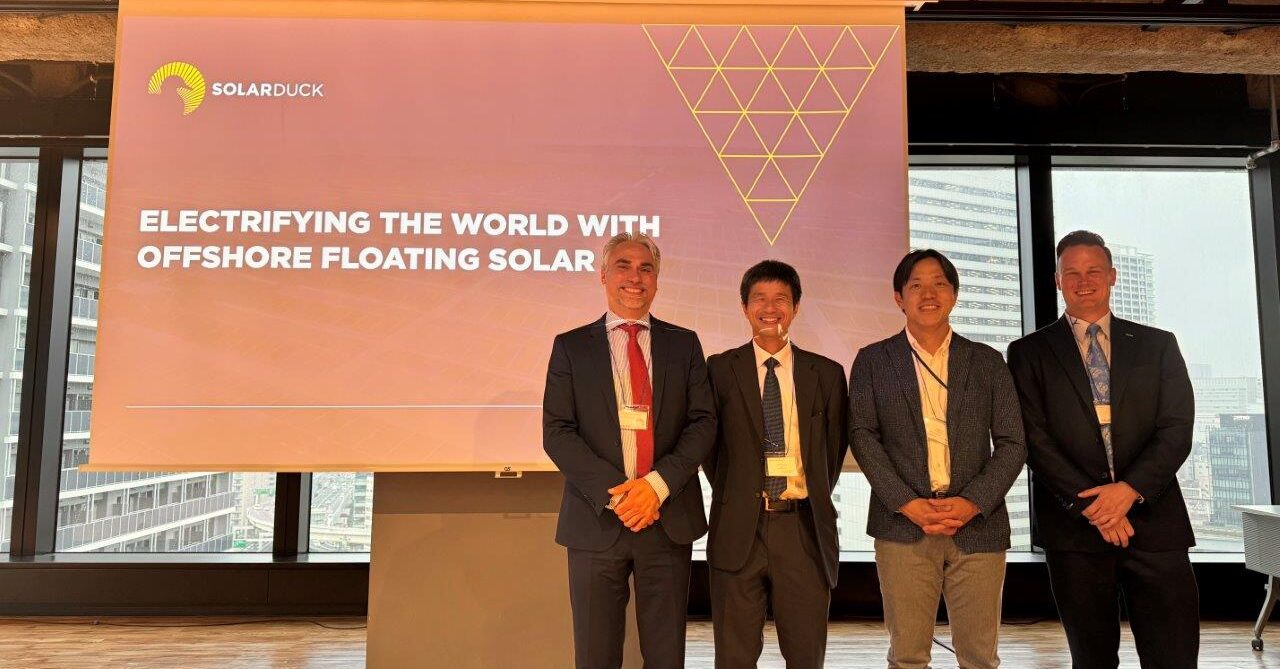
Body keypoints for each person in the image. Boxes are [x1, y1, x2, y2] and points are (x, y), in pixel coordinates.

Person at [1007, 230, 1199, 668]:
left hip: (1154, 523)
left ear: (1112, 276)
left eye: (1093, 271)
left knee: (1173, 656)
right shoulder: (1027, 353)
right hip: (1076, 531)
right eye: (1071, 273)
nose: (1083, 280)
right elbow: (1033, 440)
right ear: (1057, 281)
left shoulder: (1158, 344)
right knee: (1091, 659)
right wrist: (1096, 506)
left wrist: (1128, 491)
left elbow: (1176, 429)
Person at [542, 232, 717, 669]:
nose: (634, 277)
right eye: (623, 266)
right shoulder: (571, 346)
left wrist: (655, 487)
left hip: (667, 518)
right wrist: (620, 495)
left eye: (646, 268)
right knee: (596, 655)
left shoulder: (684, 343)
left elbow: (703, 423)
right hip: (597, 519)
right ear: (603, 274)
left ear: (657, 280)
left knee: (665, 656)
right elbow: (557, 431)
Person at [849, 249, 1026, 669]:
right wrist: (908, 504)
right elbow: (862, 436)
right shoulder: (873, 360)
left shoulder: (987, 361)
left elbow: (1013, 442)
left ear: (954, 294)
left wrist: (972, 502)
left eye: (939, 284)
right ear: (898, 298)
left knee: (980, 657)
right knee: (908, 655)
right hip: (902, 528)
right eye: (916, 285)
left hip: (977, 526)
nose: (928, 294)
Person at [703, 260, 849, 668]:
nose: (770, 308)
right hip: (738, 532)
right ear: (744, 307)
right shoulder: (718, 370)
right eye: (759, 299)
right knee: (734, 656)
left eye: (781, 299)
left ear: (796, 307)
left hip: (803, 530)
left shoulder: (828, 374)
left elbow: (832, 452)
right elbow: (711, 453)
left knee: (805, 655)